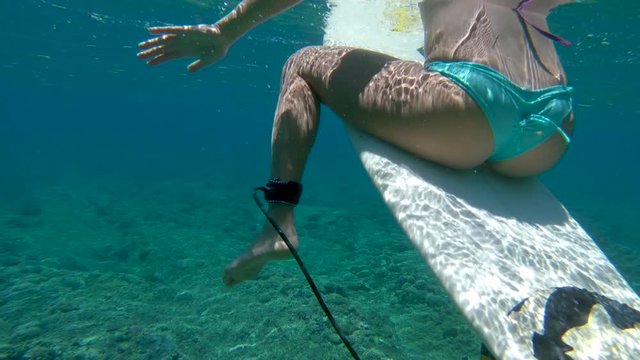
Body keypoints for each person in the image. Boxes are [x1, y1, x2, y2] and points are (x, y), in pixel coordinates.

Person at [137, 0, 575, 287]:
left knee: (302, 63)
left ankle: (278, 222)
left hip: (467, 109)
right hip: (552, 130)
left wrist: (225, 31)